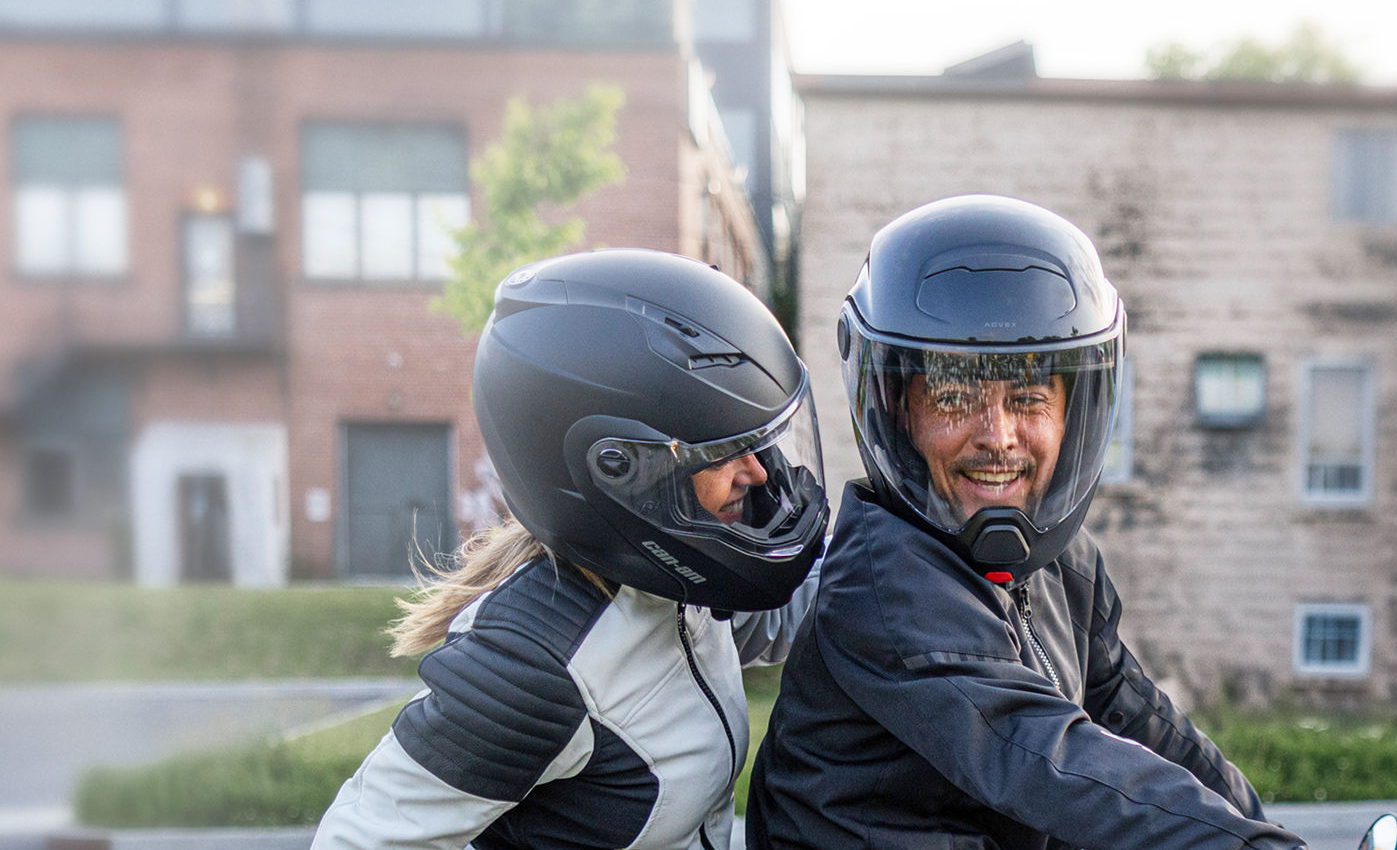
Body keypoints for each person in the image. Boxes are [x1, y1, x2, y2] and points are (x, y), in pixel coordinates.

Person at [746, 195, 1307, 850]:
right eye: (953, 398)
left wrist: (1261, 827)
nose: (998, 435)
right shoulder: (883, 586)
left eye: (1028, 399)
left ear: (1073, 415)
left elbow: (1143, 723)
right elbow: (1051, 760)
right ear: (900, 414)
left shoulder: (1063, 566)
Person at [312, 248, 829, 850]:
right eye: (722, 453)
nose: (758, 473)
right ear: (618, 472)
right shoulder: (532, 670)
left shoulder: (678, 581)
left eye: (758, 443)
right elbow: (357, 840)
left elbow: (781, 614)